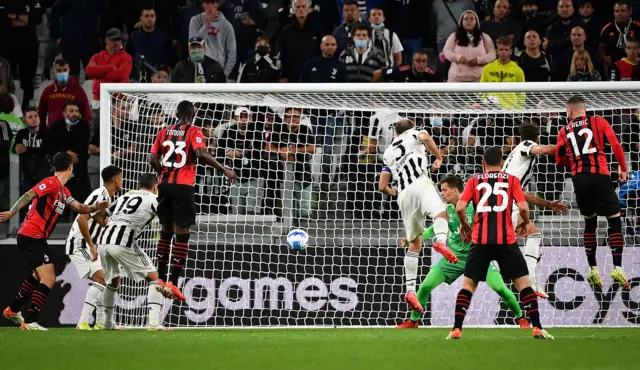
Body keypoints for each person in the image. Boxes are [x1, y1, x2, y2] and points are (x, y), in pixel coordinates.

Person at [395, 175, 530, 329]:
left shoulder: (476, 206)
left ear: (454, 190)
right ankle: (413, 321)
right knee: (425, 286)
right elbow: (434, 229)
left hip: (477, 256)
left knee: (500, 288)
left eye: (444, 190)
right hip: (453, 257)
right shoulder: (446, 210)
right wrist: (414, 237)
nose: (442, 194)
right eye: (441, 190)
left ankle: (521, 318)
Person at [448, 147, 554, 340]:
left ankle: (456, 329)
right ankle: (537, 327)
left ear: (482, 163)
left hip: (480, 241)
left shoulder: (473, 181)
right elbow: (523, 207)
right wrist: (526, 223)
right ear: (503, 163)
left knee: (468, 286)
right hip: (506, 240)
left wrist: (464, 224)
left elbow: (460, 207)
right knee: (523, 285)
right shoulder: (511, 180)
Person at [0, 152, 109, 330]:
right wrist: (12, 212)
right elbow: (30, 194)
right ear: (70, 168)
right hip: (31, 234)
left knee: (37, 276)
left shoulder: (64, 191)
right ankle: (29, 321)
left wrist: (97, 206)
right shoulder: (51, 182)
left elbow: (81, 208)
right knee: (49, 278)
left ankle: (13, 310)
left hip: (34, 236)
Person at [149, 100, 237, 300]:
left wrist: (163, 174)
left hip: (164, 185)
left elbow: (152, 159)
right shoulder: (194, 131)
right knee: (182, 231)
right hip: (183, 186)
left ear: (177, 113)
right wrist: (224, 170)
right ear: (193, 114)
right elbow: (200, 153)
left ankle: (161, 280)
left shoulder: (163, 132)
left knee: (165, 231)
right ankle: (173, 282)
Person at [378, 119, 456, 313]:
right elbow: (426, 137)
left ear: (396, 133)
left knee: (414, 243)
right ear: (410, 128)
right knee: (441, 214)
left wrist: (392, 192)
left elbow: (382, 186)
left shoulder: (388, 152)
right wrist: (438, 157)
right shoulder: (415, 133)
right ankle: (440, 241)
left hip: (403, 195)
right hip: (421, 182)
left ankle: (410, 289)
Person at [555, 96, 630, 290]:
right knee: (614, 219)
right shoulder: (598, 121)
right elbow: (615, 145)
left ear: (570, 112)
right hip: (600, 175)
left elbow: (558, 159)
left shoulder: (564, 130)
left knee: (590, 222)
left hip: (579, 179)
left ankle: (593, 269)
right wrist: (623, 167)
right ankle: (618, 267)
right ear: (584, 109)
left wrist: (573, 160)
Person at [501, 123, 569, 298]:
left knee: (528, 235)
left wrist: (547, 204)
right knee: (533, 235)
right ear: (536, 139)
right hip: (507, 205)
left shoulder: (515, 160)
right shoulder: (525, 146)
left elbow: (523, 194)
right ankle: (530, 279)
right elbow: (543, 150)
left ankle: (528, 281)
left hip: (503, 204)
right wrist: (569, 145)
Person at [97, 173, 170, 330]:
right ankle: (153, 323)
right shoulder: (153, 199)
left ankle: (108, 323)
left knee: (112, 281)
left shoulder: (125, 197)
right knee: (154, 279)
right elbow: (167, 218)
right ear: (155, 187)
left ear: (139, 185)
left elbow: (100, 216)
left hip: (103, 240)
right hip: (123, 241)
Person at [66, 166, 122, 330]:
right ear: (116, 179)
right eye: (121, 177)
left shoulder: (106, 197)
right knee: (102, 278)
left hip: (91, 244)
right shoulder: (99, 195)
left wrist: (106, 222)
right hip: (80, 244)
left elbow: (97, 218)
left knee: (110, 279)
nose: (122, 181)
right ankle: (83, 322)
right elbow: (81, 220)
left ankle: (101, 323)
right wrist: (91, 246)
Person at [266, 107, 316, 218]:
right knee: (286, 213)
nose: (292, 119)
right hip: (283, 177)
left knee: (304, 213)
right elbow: (267, 147)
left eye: (296, 116)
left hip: (303, 176)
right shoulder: (278, 129)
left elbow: (312, 149)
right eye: (289, 116)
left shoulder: (304, 130)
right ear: (285, 118)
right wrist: (281, 151)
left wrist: (292, 151)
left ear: (300, 118)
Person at [45, 101, 92, 206]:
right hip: (60, 166)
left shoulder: (84, 125)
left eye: (77, 111)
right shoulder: (55, 126)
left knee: (81, 196)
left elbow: (83, 146)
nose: (75, 113)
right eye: (71, 111)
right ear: (64, 113)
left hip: (79, 165)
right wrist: (66, 152)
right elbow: (49, 146)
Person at [219, 107, 264, 215]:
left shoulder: (257, 131)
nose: (243, 119)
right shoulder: (229, 131)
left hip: (254, 178)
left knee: (251, 214)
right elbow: (220, 150)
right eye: (241, 117)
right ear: (235, 118)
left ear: (251, 117)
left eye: (246, 117)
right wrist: (229, 152)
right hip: (236, 179)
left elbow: (258, 151)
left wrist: (240, 153)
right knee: (236, 215)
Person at [49, 0, 110, 78]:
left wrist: (101, 36)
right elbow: (54, 16)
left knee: (93, 76)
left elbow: (106, 16)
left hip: (91, 41)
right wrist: (57, 37)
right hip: (69, 41)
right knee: (72, 76)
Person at [86, 28, 133, 121]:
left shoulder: (126, 57)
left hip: (118, 102)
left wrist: (100, 74)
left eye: (118, 40)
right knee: (96, 131)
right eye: (113, 40)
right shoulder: (97, 57)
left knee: (117, 132)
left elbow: (121, 74)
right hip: (98, 100)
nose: (116, 43)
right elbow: (89, 71)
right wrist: (110, 67)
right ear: (106, 41)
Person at [443, 10, 496, 82]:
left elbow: (492, 54)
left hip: (479, 80)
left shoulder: (484, 37)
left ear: (476, 22)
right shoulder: (454, 36)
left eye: (471, 19)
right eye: (466, 19)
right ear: (461, 22)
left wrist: (479, 60)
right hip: (456, 80)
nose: (469, 21)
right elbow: (446, 51)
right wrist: (459, 58)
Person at [278, 0, 325, 82]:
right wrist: (283, 74)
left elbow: (322, 53)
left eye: (303, 6)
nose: (301, 9)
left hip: (314, 75)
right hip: (293, 76)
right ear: (293, 9)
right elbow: (283, 55)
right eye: (298, 7)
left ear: (309, 9)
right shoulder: (287, 31)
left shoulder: (318, 29)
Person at [126, 5, 175, 83]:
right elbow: (127, 58)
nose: (150, 19)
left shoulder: (164, 36)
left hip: (158, 81)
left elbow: (172, 59)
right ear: (141, 18)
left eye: (152, 16)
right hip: (138, 81)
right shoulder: (133, 37)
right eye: (147, 16)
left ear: (155, 18)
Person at [12, 107, 46, 216]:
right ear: (25, 121)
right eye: (30, 117)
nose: (34, 119)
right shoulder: (22, 133)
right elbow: (15, 149)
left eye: (36, 116)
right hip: (26, 173)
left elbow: (48, 150)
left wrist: (27, 149)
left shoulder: (46, 132)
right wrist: (17, 149)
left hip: (43, 172)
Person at [189, 0, 237, 77]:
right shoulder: (195, 21)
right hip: (198, 71)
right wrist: (206, 25)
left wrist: (223, 75)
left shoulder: (227, 26)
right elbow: (193, 46)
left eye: (212, 3)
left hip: (218, 72)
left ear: (217, 4)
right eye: (207, 3)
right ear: (203, 5)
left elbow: (232, 54)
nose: (210, 6)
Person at [38, 59, 92, 127]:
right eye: (59, 71)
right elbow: (41, 115)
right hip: (52, 132)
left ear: (69, 70)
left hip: (72, 132)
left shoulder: (78, 90)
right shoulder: (48, 91)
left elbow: (87, 115)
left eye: (64, 70)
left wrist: (80, 130)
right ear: (54, 71)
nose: (62, 73)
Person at [480, 36, 525, 110]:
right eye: (501, 49)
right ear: (497, 51)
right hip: (492, 108)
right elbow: (481, 89)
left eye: (506, 50)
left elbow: (521, 93)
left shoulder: (518, 70)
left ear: (511, 51)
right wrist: (486, 102)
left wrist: (518, 110)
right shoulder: (488, 68)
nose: (503, 52)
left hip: (511, 109)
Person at [600, 0, 640, 65]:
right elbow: (602, 46)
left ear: (630, 11)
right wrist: (605, 58)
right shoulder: (607, 28)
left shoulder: (638, 27)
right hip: (614, 64)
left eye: (623, 11)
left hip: (635, 64)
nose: (619, 14)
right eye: (616, 11)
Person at [375, 50, 439, 82]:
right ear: (413, 61)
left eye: (424, 61)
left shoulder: (432, 74)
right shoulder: (401, 70)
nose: (421, 64)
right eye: (418, 61)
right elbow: (377, 73)